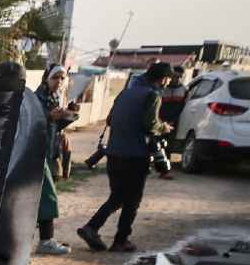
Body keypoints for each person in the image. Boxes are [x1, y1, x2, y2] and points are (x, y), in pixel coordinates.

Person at [76, 61, 174, 252]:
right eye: (168, 79)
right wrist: (165, 127)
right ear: (163, 79)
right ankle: (121, 240)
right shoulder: (152, 95)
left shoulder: (125, 93)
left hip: (114, 153)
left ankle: (91, 228)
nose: (168, 83)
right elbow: (150, 124)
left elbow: (110, 119)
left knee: (118, 196)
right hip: (135, 155)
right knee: (132, 200)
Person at [34, 65, 75, 254]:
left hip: (49, 153)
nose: (59, 81)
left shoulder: (54, 98)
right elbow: (32, 123)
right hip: (35, 153)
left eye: (62, 78)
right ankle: (46, 241)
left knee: (41, 199)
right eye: (55, 77)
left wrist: (69, 116)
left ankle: (41, 240)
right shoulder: (36, 99)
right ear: (46, 79)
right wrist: (49, 116)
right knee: (47, 198)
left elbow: (55, 127)